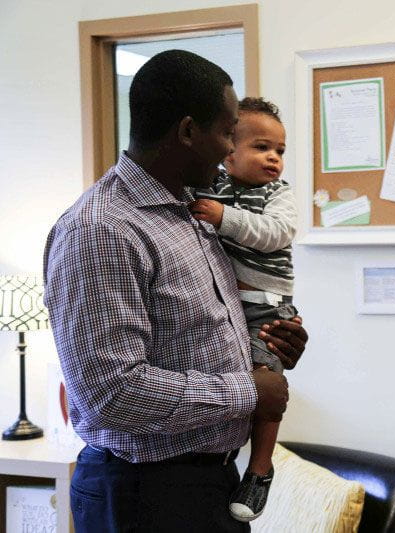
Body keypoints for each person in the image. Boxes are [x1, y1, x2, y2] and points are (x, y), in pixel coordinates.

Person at [43, 50, 308, 533]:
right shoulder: (102, 230)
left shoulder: (192, 213)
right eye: (228, 133)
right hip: (144, 494)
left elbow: (199, 332)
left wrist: (271, 346)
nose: (232, 150)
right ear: (188, 131)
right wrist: (249, 390)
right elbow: (112, 393)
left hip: (208, 482)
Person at [190, 97, 297, 522]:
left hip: (268, 308)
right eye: (261, 147)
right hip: (226, 305)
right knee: (233, 385)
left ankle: (259, 467)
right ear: (227, 151)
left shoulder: (279, 195)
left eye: (280, 151)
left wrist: (223, 218)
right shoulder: (211, 186)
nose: (273, 158)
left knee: (268, 387)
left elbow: (275, 233)